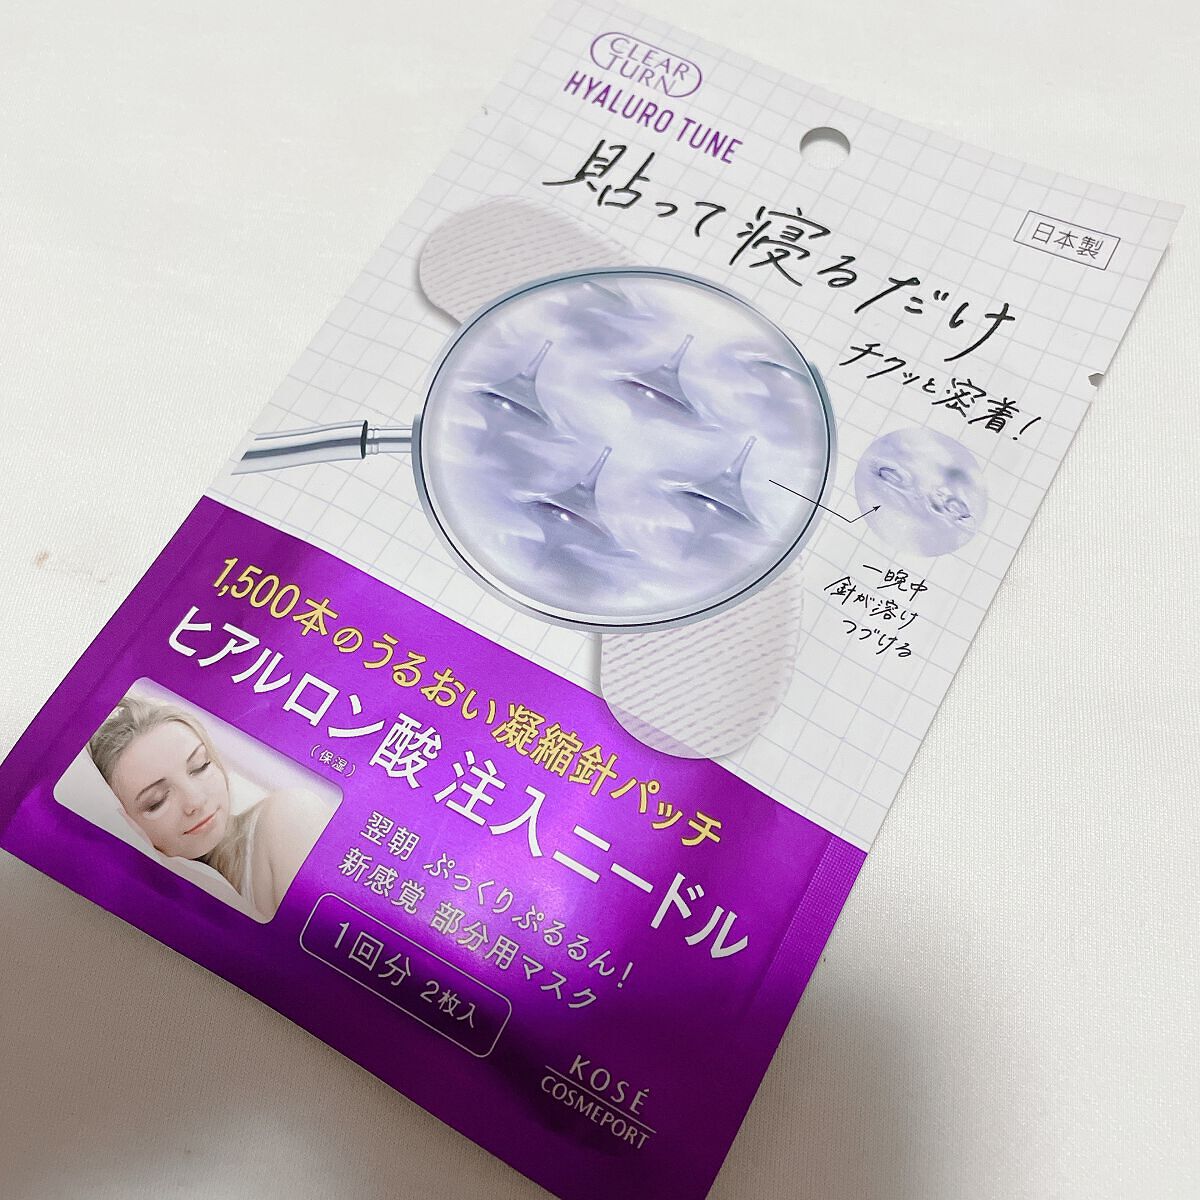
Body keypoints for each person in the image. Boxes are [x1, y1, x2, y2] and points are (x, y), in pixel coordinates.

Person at [87, 695, 328, 918]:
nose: (196, 801)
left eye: (200, 766)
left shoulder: (292, 814)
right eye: (157, 801)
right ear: (127, 823)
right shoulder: (156, 904)